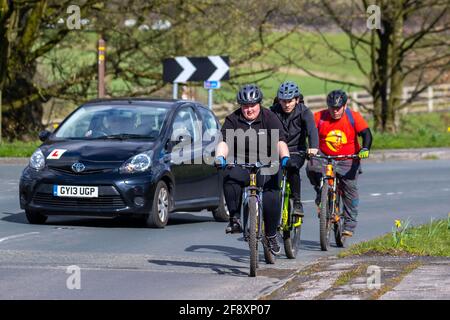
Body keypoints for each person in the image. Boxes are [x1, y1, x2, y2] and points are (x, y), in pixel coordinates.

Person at [215, 84, 290, 255]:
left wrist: (284, 157)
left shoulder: (269, 117)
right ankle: (235, 219)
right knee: (229, 177)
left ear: (259, 103)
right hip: (242, 163)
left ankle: (271, 235)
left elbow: (279, 141)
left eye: (252, 105)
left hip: (266, 163)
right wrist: (220, 157)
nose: (249, 110)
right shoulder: (232, 119)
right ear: (240, 105)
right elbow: (224, 142)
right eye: (245, 106)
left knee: (272, 194)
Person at [306, 89, 372, 238]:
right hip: (324, 156)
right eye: (332, 108)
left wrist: (365, 148)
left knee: (350, 190)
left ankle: (349, 224)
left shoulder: (353, 117)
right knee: (311, 167)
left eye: (338, 108)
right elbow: (309, 132)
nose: (335, 111)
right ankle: (321, 193)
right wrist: (308, 148)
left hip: (348, 158)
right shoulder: (319, 117)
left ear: (345, 105)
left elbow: (366, 134)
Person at [270, 81, 319, 217]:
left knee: (292, 168)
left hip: (297, 150)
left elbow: (312, 130)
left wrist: (314, 147)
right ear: (279, 100)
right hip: (277, 151)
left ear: (297, 99)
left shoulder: (304, 111)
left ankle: (297, 202)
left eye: (290, 101)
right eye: (283, 101)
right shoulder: (273, 111)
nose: (286, 104)